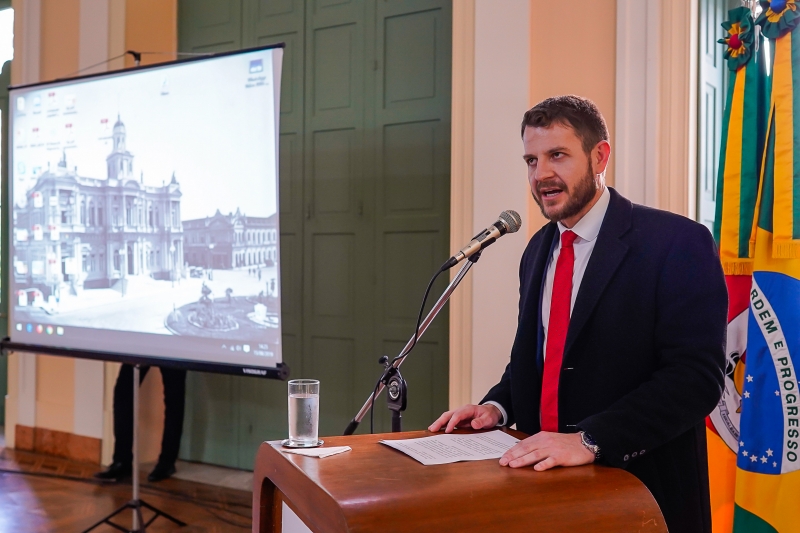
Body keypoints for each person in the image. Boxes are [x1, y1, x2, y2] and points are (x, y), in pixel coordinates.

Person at [430, 95, 727, 533]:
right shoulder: (537, 249)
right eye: (531, 160)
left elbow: (695, 380)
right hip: (540, 492)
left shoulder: (677, 242)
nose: (541, 174)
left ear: (599, 156)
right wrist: (496, 405)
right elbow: (539, 360)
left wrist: (591, 440)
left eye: (558, 156)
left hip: (641, 495)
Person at [94, 364, 187, 482]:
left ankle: (167, 462)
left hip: (175, 347)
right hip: (141, 346)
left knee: (174, 399)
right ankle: (121, 461)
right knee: (123, 392)